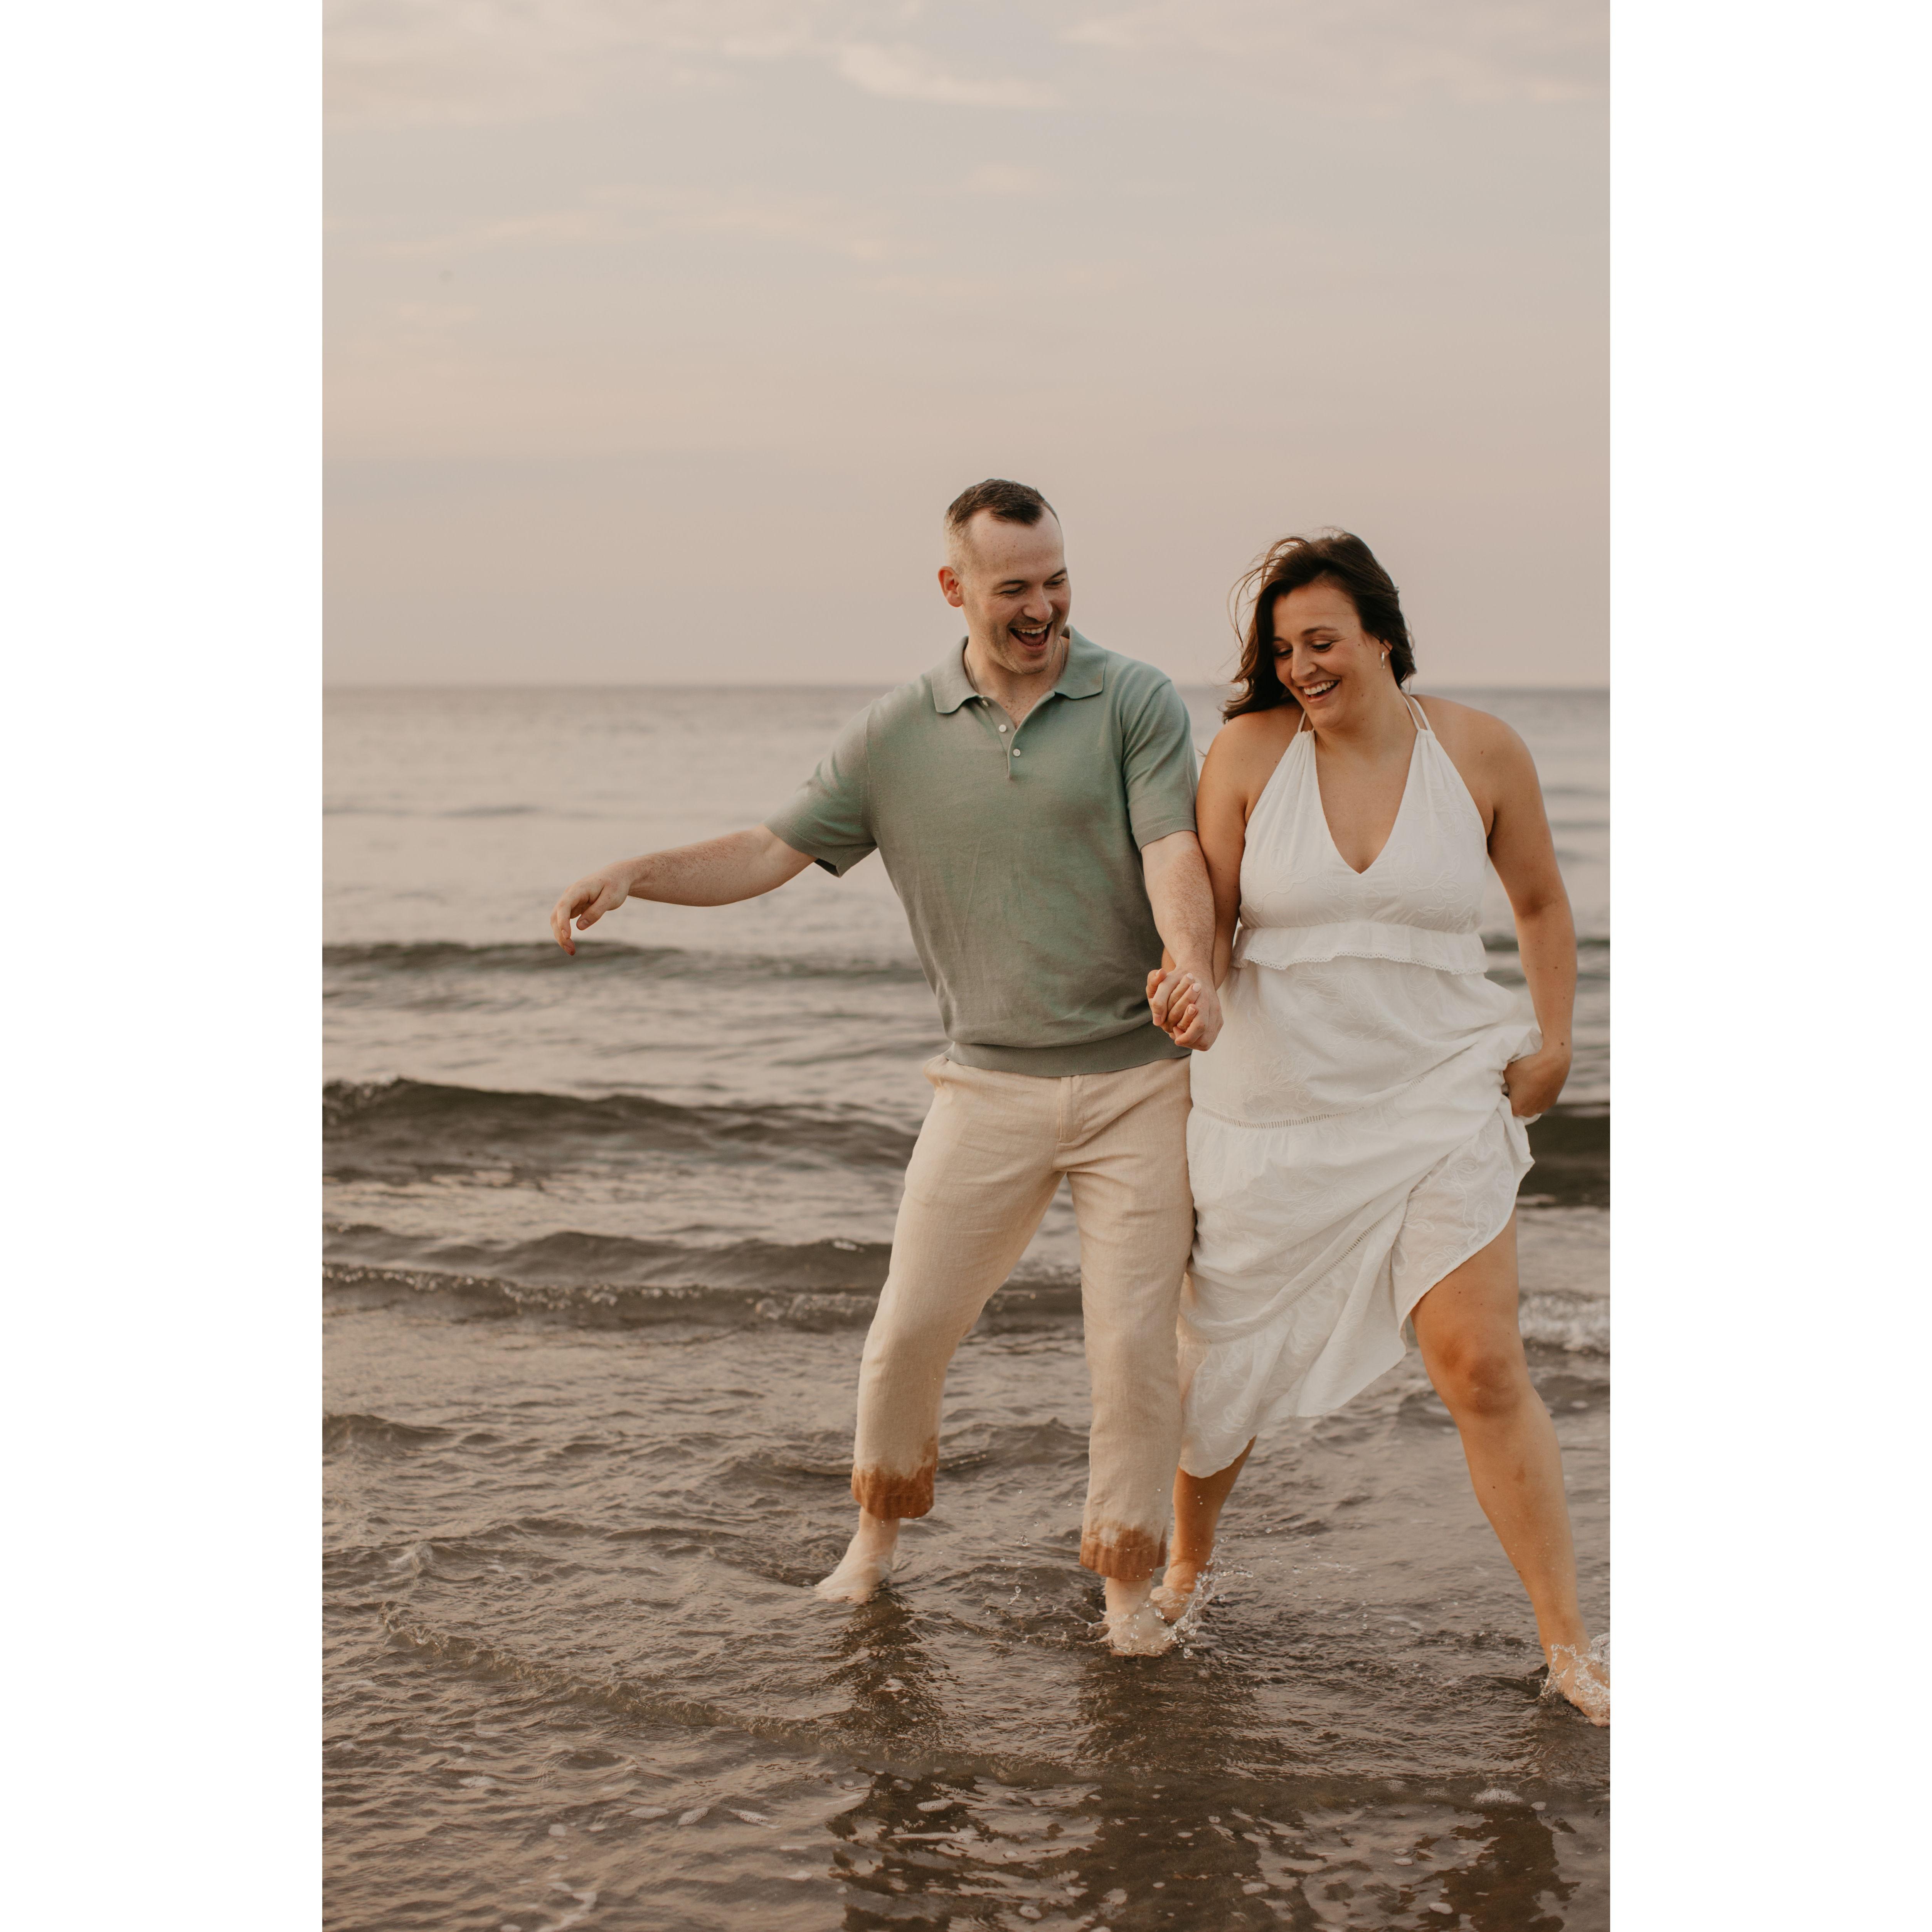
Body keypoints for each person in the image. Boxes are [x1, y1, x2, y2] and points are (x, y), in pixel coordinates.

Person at [548, 479, 1222, 1656]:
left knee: (1128, 1348)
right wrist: (637, 872)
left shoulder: (1132, 700)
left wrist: (1191, 960)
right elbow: (767, 848)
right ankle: (874, 1540)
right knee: (910, 1328)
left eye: (1056, 578)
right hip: (986, 1084)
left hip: (1135, 1081)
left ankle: (1122, 1584)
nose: (1042, 605)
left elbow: (1173, 847)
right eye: (1014, 585)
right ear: (954, 586)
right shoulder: (895, 733)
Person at [1149, 530, 1609, 1723]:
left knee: (1480, 1363)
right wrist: (1184, 979)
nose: (1302, 665)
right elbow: (1203, 907)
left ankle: (1566, 1643)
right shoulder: (1248, 753)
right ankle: (1188, 1566)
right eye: (1283, 647)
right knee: (1222, 1371)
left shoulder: (1479, 750)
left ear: (1382, 635)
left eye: (1323, 641)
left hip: (1438, 1092)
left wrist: (1554, 1039)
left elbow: (1542, 900)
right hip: (1273, 1112)